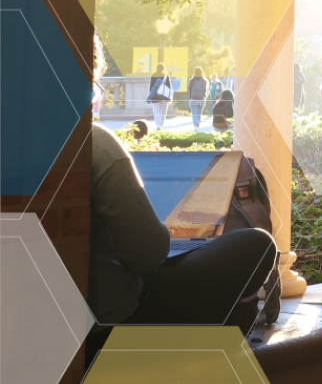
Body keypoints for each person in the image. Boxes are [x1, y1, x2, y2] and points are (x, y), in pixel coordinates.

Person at [87, 122, 277, 329]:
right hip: (119, 319)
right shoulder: (94, 142)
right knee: (258, 243)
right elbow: (148, 255)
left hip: (59, 335)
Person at [147, 64, 172, 129]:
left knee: (156, 111)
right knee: (163, 112)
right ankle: (161, 125)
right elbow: (169, 87)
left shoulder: (153, 75)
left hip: (155, 96)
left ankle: (158, 125)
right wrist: (170, 97)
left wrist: (151, 96)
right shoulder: (166, 75)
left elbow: (151, 87)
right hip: (165, 96)